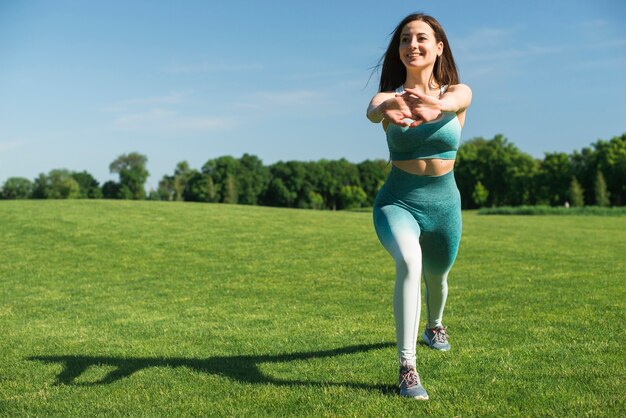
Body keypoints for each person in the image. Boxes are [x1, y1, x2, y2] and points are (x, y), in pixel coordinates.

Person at [366, 13, 472, 400]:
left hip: (444, 206)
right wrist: (386, 110)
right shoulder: (390, 97)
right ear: (399, 50)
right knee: (410, 263)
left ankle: (435, 325)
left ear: (438, 47)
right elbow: (372, 108)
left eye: (421, 38)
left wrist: (435, 106)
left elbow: (460, 98)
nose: (413, 44)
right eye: (405, 39)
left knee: (437, 277)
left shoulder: (456, 93)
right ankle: (407, 367)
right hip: (398, 201)